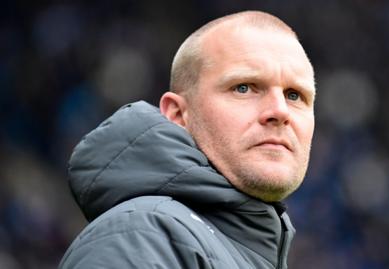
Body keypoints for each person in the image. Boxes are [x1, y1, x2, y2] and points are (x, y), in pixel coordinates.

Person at [60, 10, 315, 268]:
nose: (280, 111)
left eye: (294, 95)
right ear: (178, 114)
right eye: (244, 87)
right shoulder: (142, 237)